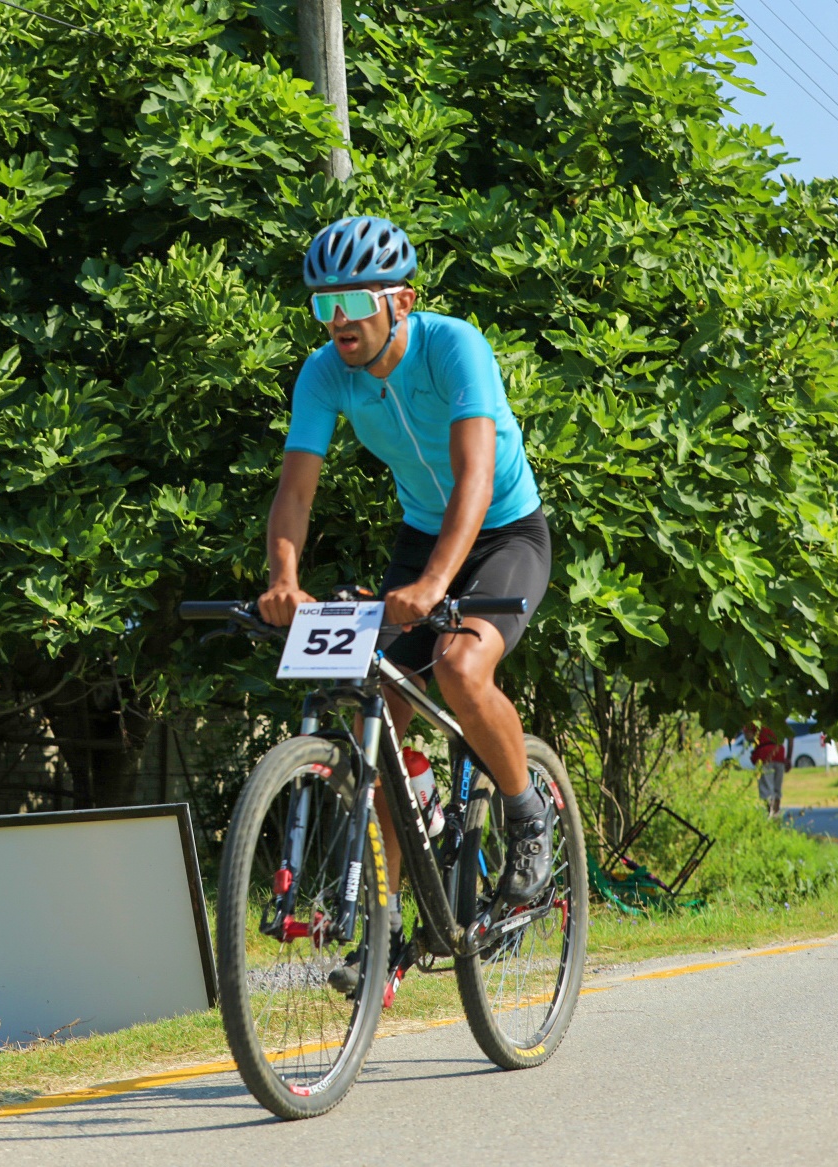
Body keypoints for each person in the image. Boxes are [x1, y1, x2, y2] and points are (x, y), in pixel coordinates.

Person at [257, 215, 554, 994]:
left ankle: (528, 813)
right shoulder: (324, 373)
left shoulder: (455, 345)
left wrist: (432, 591)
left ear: (402, 299)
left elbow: (475, 479)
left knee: (460, 663)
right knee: (377, 698)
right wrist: (284, 578)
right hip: (422, 538)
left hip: (503, 532)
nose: (340, 320)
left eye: (354, 300)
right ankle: (393, 905)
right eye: (324, 306)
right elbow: (295, 489)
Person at [750, 723, 786, 816]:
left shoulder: (757, 720)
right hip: (779, 752)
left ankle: (770, 814)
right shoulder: (779, 717)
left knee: (767, 789)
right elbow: (790, 737)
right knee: (777, 788)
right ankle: (776, 813)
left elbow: (748, 735)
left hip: (763, 754)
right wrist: (789, 757)